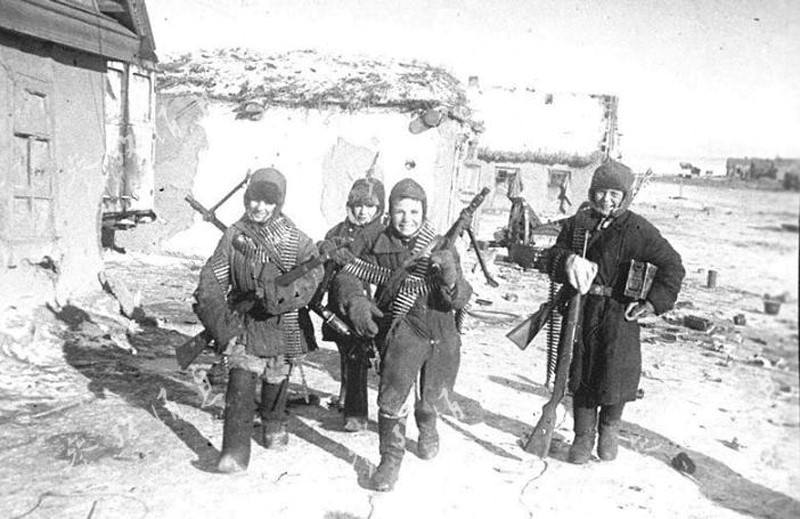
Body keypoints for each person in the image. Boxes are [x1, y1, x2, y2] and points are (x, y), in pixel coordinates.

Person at [539, 160, 684, 464]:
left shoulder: (639, 229)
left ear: (625, 196)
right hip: (581, 310)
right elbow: (550, 257)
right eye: (601, 192)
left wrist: (651, 303)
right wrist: (567, 262)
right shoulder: (577, 224)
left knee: (615, 374)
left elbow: (672, 265)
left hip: (620, 314)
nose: (607, 199)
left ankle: (610, 430)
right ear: (593, 193)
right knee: (580, 373)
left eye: (614, 194)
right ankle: (582, 436)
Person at [333, 178, 473, 491]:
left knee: (433, 394)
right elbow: (348, 271)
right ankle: (390, 459)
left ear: (424, 213)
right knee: (392, 394)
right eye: (399, 211)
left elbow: (462, 298)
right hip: (403, 326)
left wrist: (450, 277)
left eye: (414, 211)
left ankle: (428, 427)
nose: (406, 218)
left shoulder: (441, 243)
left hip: (440, 327)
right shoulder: (376, 237)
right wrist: (356, 301)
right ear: (390, 212)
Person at [193, 167, 323, 473]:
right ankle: (234, 452)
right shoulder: (234, 235)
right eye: (254, 199)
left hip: (283, 322)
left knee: (277, 378)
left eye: (268, 201)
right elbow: (213, 276)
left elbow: (313, 273)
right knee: (240, 380)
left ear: (278, 203)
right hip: (246, 321)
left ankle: (274, 424)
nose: (259, 207)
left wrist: (288, 294)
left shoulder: (296, 240)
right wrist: (217, 317)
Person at [321, 177, 386, 432]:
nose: (362, 211)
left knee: (360, 353)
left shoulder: (383, 235)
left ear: (378, 209)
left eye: (369, 206)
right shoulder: (336, 232)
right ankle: (345, 396)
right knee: (345, 350)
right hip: (340, 302)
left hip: (370, 303)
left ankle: (358, 414)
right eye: (357, 205)